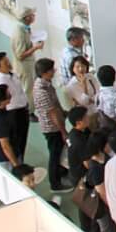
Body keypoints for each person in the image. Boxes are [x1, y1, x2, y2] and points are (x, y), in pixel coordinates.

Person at [32, 57, 70, 191]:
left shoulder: (45, 84)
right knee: (55, 155)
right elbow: (53, 113)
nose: (54, 71)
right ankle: (55, 183)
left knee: (58, 152)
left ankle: (61, 172)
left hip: (54, 125)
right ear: (45, 72)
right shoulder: (41, 90)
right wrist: (63, 131)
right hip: (51, 128)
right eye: (51, 70)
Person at [9, 7, 42, 102]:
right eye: (32, 15)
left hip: (27, 65)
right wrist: (35, 47)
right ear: (27, 17)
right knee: (28, 90)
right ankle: (30, 112)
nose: (34, 16)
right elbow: (20, 55)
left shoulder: (23, 28)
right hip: (24, 67)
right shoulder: (20, 32)